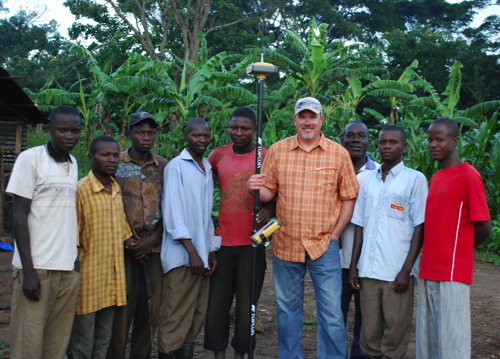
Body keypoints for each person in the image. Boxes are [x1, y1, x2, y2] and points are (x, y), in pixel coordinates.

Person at [247, 97, 359, 359]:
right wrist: (252, 185)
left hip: (324, 245)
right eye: (302, 117)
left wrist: (335, 235)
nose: (307, 122)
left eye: (312, 117)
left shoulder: (338, 153)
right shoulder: (277, 150)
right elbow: (267, 194)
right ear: (295, 120)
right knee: (287, 311)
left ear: (321, 120)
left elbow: (349, 198)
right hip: (286, 244)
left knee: (331, 311)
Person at [6, 106, 82, 359]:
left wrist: (74, 259)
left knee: (56, 344)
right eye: (62, 130)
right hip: (38, 268)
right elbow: (18, 216)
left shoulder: (73, 163)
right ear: (50, 130)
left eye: (75, 131)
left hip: (66, 269)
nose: (69, 135)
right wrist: (28, 272)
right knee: (28, 345)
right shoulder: (30, 159)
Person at [349, 125, 428, 359]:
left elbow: (419, 227)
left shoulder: (415, 180)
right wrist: (354, 266)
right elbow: (359, 226)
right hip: (368, 272)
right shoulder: (366, 181)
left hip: (397, 275)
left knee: (394, 335)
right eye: (383, 142)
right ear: (377, 145)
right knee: (369, 335)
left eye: (393, 142)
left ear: (404, 146)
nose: (387, 146)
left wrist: (406, 271)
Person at [416, 118, 492, 359]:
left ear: (454, 141)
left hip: (452, 273)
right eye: (430, 140)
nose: (433, 144)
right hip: (428, 270)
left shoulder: (468, 175)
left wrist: (457, 252)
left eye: (440, 139)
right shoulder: (437, 177)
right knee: (428, 341)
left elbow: (485, 228)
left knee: (452, 343)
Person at [204, 107, 275, 359]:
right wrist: (208, 218)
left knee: (247, 308)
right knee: (217, 307)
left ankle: (241, 354)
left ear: (254, 130)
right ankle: (218, 355)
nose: (239, 132)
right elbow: (201, 186)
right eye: (234, 127)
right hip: (222, 243)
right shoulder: (218, 155)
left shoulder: (266, 156)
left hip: (252, 244)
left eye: (245, 128)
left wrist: (270, 211)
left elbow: (279, 193)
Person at [158, 117, 221, 359]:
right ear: (186, 135)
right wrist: (192, 252)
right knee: (175, 314)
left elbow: (206, 215)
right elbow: (173, 213)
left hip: (201, 256)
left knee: (196, 314)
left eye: (206, 135)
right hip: (182, 257)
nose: (202, 140)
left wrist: (210, 251)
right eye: (197, 135)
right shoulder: (176, 166)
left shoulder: (206, 166)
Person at [107, 112, 168, 359]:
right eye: (140, 132)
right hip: (123, 251)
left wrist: (153, 238)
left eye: (150, 133)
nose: (146, 137)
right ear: (130, 134)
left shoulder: (164, 165)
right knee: (121, 313)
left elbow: (170, 207)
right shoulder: (115, 163)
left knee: (149, 313)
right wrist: (129, 242)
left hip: (154, 250)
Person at [67, 136, 133, 359]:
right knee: (81, 346)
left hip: (112, 284)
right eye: (105, 155)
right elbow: (72, 239)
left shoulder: (116, 189)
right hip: (88, 283)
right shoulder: (81, 191)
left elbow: (124, 233)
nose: (112, 160)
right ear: (91, 157)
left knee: (102, 343)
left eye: (116, 155)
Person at [340, 121, 380, 359]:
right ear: (342, 139)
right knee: (335, 316)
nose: (356, 140)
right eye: (350, 135)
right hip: (334, 260)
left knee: (365, 319)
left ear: (368, 141)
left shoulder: (378, 173)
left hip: (367, 263)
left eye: (361, 136)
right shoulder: (332, 167)